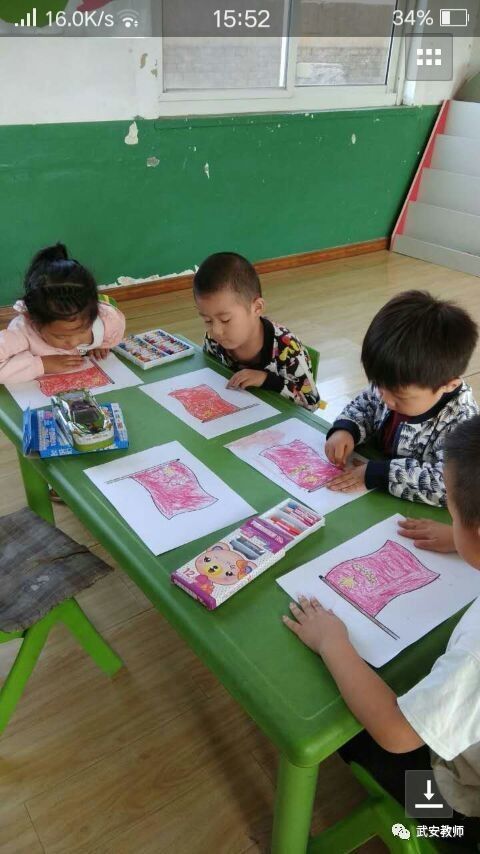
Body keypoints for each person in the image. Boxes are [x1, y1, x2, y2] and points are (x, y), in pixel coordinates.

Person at [283, 416, 480, 848]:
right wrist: (464, 537)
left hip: (463, 810)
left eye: (449, 501)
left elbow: (395, 733)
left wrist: (334, 643)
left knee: (343, 727)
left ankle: (444, 838)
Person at [325, 290, 478, 506]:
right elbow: (364, 406)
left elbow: (452, 484)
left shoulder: (463, 422)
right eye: (379, 385)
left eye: (398, 396)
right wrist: (346, 429)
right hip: (373, 490)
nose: (384, 398)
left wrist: (380, 474)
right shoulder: (392, 382)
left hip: (413, 510)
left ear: (448, 385)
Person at [193, 252, 321, 411]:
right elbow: (210, 374)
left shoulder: (287, 349)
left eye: (225, 319)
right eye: (207, 320)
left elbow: (312, 403)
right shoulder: (214, 340)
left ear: (257, 308)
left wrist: (266, 380)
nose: (216, 331)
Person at [0, 243, 125, 384]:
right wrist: (41, 365)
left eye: (82, 330)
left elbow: (116, 326)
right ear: (35, 321)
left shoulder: (106, 321)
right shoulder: (23, 331)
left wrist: (101, 345)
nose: (72, 342)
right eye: (60, 336)